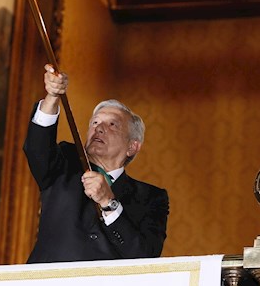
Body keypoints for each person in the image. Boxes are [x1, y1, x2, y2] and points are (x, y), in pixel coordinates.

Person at [24, 65, 169, 263]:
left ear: (132, 146)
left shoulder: (151, 197)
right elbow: (36, 148)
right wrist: (52, 97)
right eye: (95, 123)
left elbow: (145, 256)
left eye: (112, 124)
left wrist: (109, 203)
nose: (99, 128)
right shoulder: (64, 161)